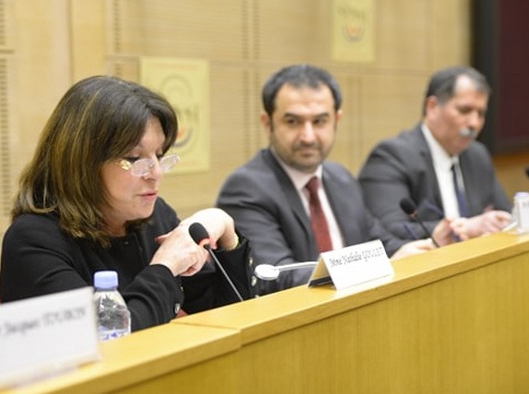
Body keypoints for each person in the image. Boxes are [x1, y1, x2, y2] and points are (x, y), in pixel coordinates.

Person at [0, 75, 252, 332]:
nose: (156, 173)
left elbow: (231, 314)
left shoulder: (154, 216)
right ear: (83, 163)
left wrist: (227, 231)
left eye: (160, 155)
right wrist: (165, 267)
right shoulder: (33, 241)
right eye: (134, 158)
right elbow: (111, 340)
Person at [216, 64, 435, 295]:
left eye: (320, 121)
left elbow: (379, 243)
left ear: (336, 120)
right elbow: (276, 276)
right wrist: (384, 264)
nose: (308, 136)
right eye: (293, 122)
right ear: (267, 123)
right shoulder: (247, 189)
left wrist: (415, 250)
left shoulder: (341, 179)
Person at [357, 66, 512, 243]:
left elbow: (504, 215)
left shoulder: (477, 155)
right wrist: (463, 228)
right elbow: (388, 229)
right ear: (432, 107)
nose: (474, 123)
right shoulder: (392, 157)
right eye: (465, 110)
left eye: (481, 113)